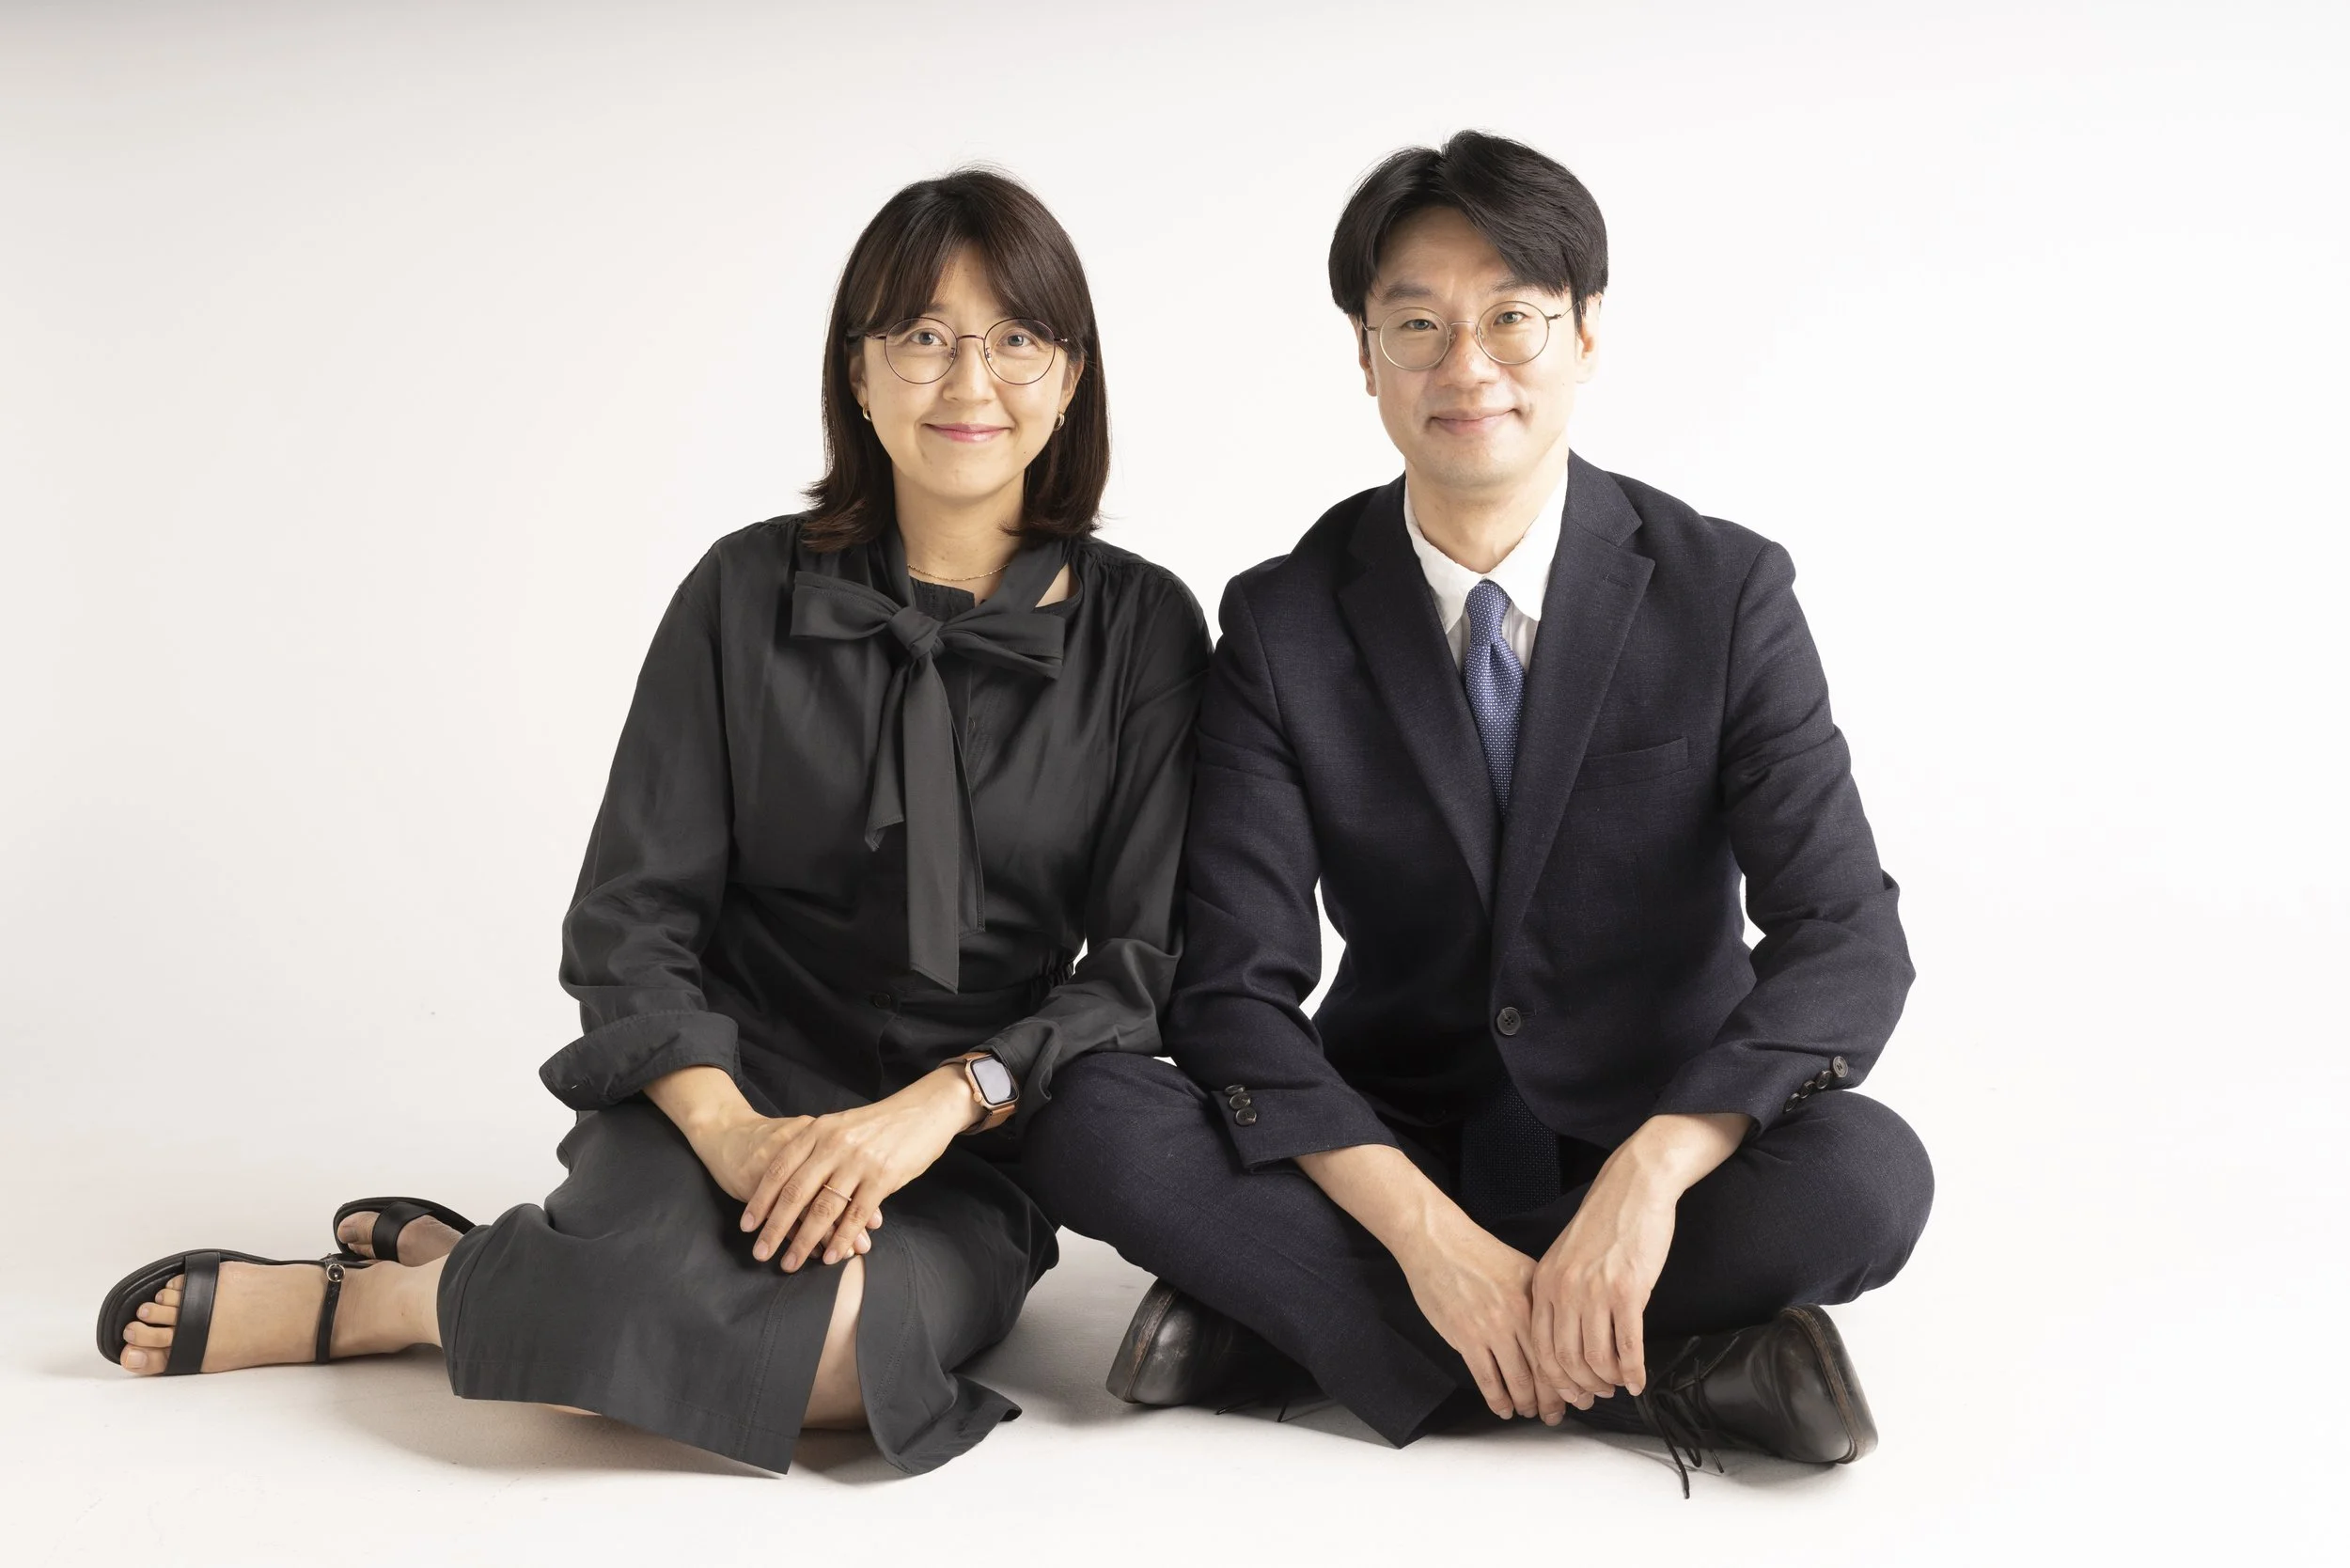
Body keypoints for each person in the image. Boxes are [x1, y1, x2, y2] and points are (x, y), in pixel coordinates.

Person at [94, 168, 1209, 1477]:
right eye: (922, 337)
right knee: (638, 1342)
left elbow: (1143, 967)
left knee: (836, 1360)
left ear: (1071, 377)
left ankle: (440, 1281)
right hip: (719, 1082)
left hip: (961, 1136)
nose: (971, 382)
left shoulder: (1145, 630)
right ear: (858, 374)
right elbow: (632, 917)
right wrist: (733, 1131)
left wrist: (937, 1107)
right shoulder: (741, 592)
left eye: (1017, 339)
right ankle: (374, 1303)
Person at [1022, 131, 1933, 1488]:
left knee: (1869, 1178)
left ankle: (1294, 1339)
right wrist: (1425, 1239)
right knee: (1090, 1114)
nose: (1469, 366)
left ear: (1585, 333)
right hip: (1400, 1144)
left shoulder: (1726, 592)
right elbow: (1231, 992)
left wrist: (1652, 1174)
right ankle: (1682, 1369)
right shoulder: (1283, 620)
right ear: (1365, 352)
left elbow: (1846, 935)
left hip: (1653, 1144)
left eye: (1513, 317)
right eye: (1418, 325)